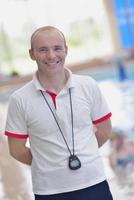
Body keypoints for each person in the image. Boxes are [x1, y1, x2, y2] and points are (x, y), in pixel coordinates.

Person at [5, 26, 113, 200]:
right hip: (49, 191)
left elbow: (105, 131)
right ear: (32, 54)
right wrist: (47, 162)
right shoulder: (20, 99)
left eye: (57, 48)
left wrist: (87, 151)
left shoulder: (88, 85)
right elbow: (16, 150)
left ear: (66, 50)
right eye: (43, 50)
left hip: (94, 182)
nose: (51, 55)